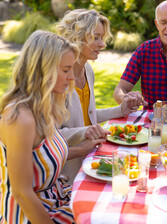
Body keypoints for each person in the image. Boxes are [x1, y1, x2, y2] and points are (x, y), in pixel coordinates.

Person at [0, 30, 102, 223]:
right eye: (65, 70)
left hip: (55, 202)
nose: (72, 77)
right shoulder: (20, 118)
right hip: (30, 216)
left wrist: (83, 149)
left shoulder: (44, 108)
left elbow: (42, 157)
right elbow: (21, 193)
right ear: (42, 70)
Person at [57, 9, 137, 182]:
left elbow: (88, 116)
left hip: (90, 161)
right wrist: (85, 131)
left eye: (102, 37)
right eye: (96, 37)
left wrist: (121, 110)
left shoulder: (87, 70)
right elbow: (50, 135)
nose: (102, 44)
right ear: (77, 37)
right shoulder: (59, 77)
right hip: (66, 171)